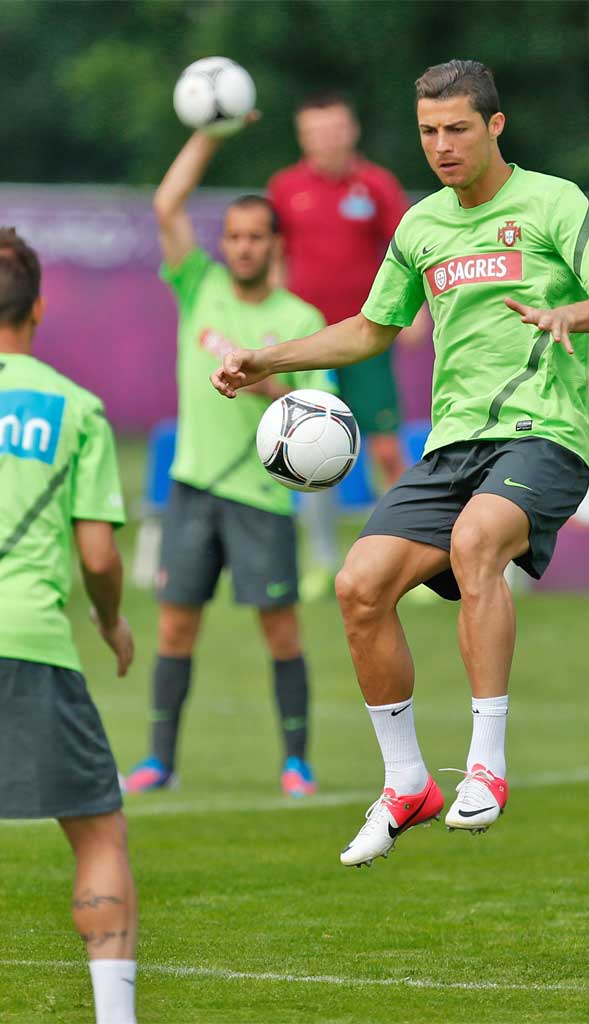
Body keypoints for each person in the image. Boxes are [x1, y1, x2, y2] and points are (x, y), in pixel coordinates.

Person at [211, 60, 589, 866]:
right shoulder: (420, 227)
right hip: (451, 448)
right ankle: (407, 781)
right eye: (427, 131)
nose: (441, 147)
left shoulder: (554, 201)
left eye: (456, 129)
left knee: (480, 541)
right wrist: (268, 361)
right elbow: (372, 330)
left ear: (495, 126)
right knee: (358, 585)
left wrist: (567, 313)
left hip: (542, 435)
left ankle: (487, 763)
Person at [122, 125, 333, 798]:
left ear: (275, 245)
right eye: (235, 235)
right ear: (226, 245)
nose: (243, 246)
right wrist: (209, 133)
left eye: (256, 237)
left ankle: (296, 762)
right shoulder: (198, 286)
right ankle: (160, 760)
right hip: (191, 488)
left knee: (280, 630)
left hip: (261, 498)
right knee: (176, 625)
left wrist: (262, 376)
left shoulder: (301, 317)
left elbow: (320, 411)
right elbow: (166, 204)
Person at [0, 228, 138, 1023]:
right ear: (40, 307)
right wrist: (112, 620)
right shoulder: (75, 409)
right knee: (97, 835)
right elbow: (97, 554)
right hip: (31, 645)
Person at [267, 93, 417, 599]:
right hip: (309, 343)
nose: (325, 140)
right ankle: (322, 563)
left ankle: (409, 559)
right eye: (314, 132)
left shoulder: (375, 184)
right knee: (310, 445)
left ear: (351, 130)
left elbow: (410, 251)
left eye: (333, 130)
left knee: (386, 448)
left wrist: (417, 311)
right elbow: (274, 261)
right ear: (302, 136)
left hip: (367, 337)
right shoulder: (285, 189)